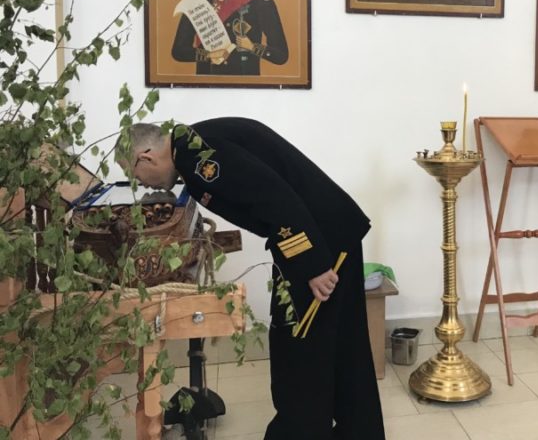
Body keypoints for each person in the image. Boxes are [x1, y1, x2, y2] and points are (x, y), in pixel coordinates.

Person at [117, 118, 385, 440]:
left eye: (135, 176)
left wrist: (312, 264)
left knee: (300, 348)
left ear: (145, 157)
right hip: (327, 232)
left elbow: (274, 197)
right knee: (343, 343)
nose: (143, 185)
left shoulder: (196, 154)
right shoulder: (192, 143)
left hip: (317, 245)